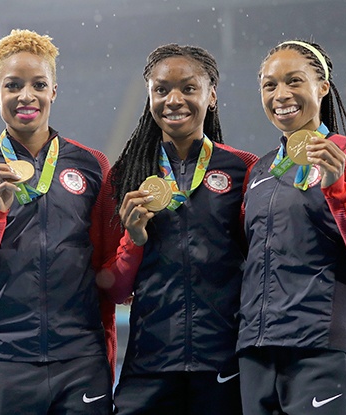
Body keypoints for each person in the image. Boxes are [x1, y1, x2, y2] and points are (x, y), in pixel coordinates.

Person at [0, 29, 117, 415]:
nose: (26, 96)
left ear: (54, 91)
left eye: (38, 84)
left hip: (80, 359)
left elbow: (106, 275)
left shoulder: (94, 166)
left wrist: (106, 354)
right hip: (4, 358)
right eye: (13, 85)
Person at [237, 39, 346, 415]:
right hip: (256, 357)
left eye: (295, 81)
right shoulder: (259, 171)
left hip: (320, 350)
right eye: (270, 85)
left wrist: (336, 191)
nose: (281, 95)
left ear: (322, 87)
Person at [95, 44, 258, 415]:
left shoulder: (243, 170)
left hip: (223, 363)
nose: (174, 100)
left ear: (211, 95)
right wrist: (133, 241)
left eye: (188, 88)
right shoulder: (125, 177)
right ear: (149, 96)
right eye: (161, 89)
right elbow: (115, 289)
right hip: (150, 364)